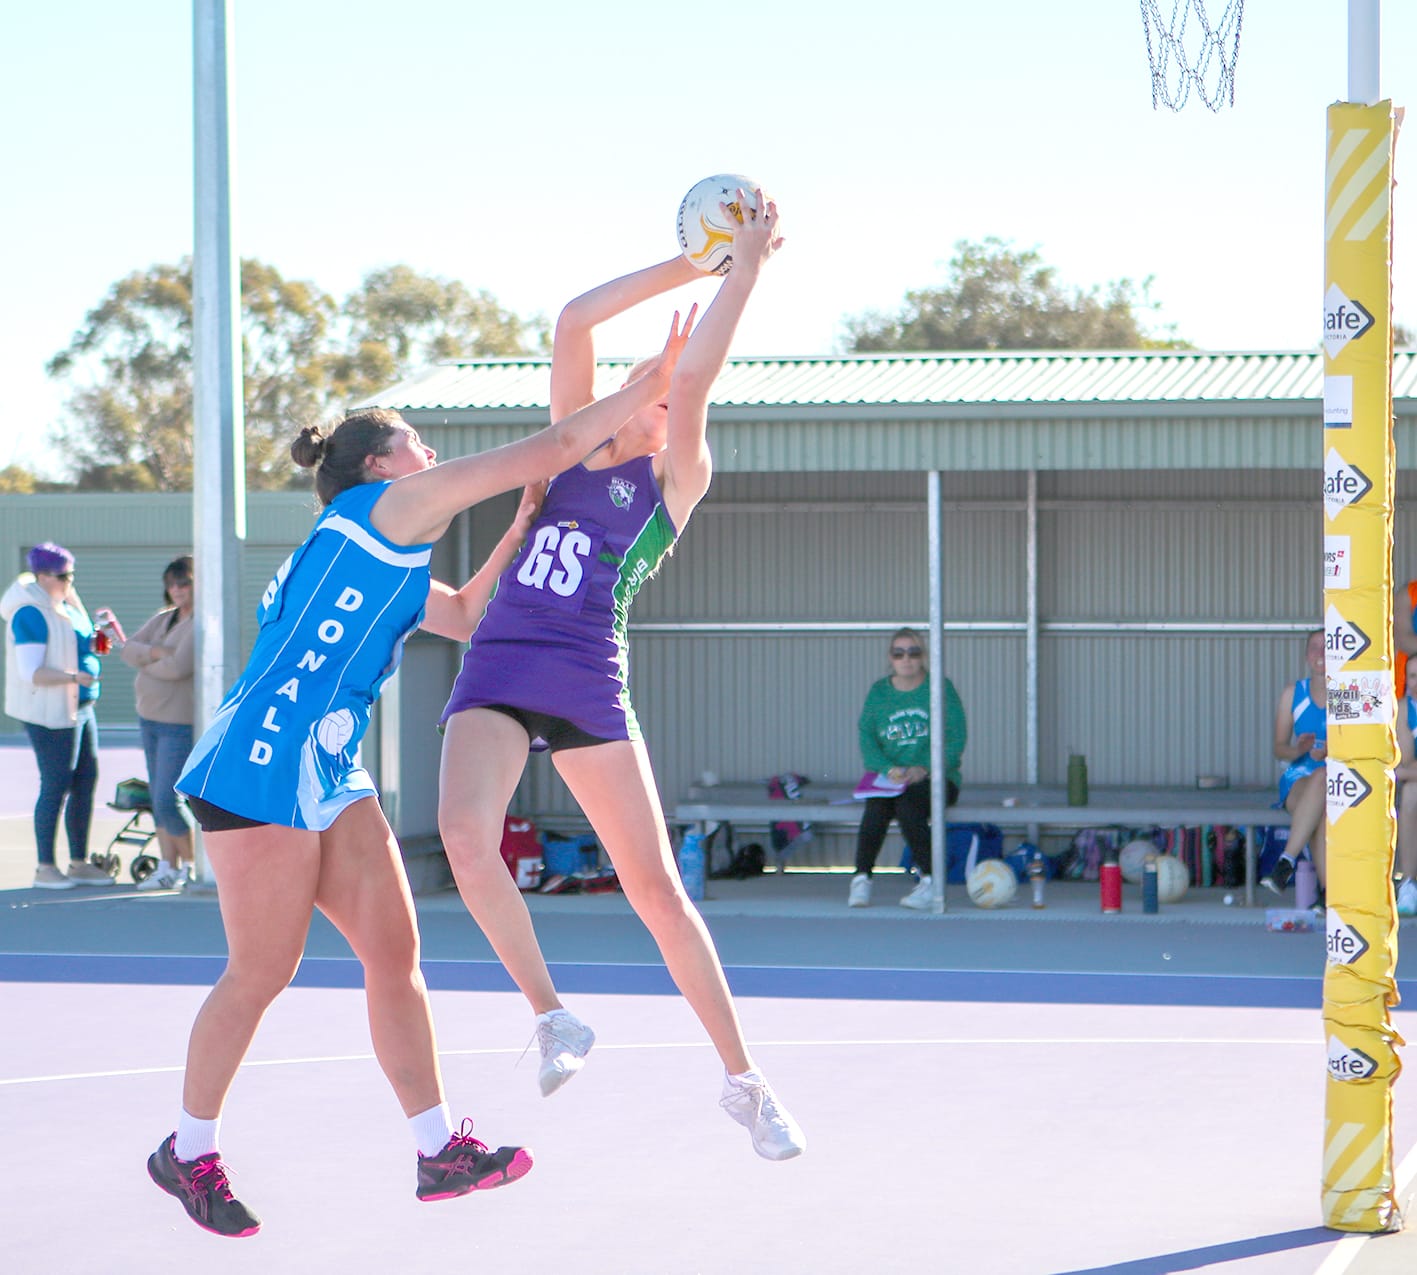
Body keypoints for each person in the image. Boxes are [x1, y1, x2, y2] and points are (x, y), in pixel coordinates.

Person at [148, 325, 690, 1238]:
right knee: (263, 968)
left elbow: (469, 614)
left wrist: (518, 528)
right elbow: (559, 443)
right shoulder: (388, 505)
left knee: (394, 955)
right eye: (415, 440)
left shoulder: (381, 541)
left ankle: (438, 1150)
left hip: (327, 762)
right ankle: (186, 1149)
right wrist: (659, 379)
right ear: (378, 465)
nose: (429, 452)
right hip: (261, 756)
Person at [437, 193, 806, 1162]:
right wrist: (692, 263)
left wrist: (743, 270)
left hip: (587, 677)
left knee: (655, 891)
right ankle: (553, 1014)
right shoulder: (565, 450)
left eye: (672, 391)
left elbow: (703, 373)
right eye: (654, 381)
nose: (664, 390)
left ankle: (745, 1082)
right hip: (500, 662)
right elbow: (573, 321)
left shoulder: (675, 478)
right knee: (466, 838)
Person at [1, 542, 116, 889]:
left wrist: (97, 640)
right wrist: (74, 677)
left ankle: (79, 862)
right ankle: (45, 867)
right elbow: (32, 672)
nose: (69, 581)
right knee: (55, 784)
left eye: (71, 575)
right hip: (50, 712)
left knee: (85, 781)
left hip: (81, 707)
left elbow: (78, 643)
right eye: (63, 576)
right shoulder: (30, 613)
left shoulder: (66, 603)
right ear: (42, 576)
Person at [848, 627, 967, 910]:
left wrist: (925, 768)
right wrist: (888, 768)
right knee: (876, 808)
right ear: (890, 658)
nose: (906, 659)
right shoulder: (879, 692)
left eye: (913, 652)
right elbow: (867, 737)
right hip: (891, 778)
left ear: (923, 655)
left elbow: (956, 737)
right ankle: (861, 878)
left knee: (908, 805)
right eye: (899, 653)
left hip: (936, 777)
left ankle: (930, 881)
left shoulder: (940, 688)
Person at [119, 556, 196, 890]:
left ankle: (192, 866)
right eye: (172, 584)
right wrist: (156, 653)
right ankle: (167, 867)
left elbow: (178, 667)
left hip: (178, 722)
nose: (177, 590)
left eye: (184, 583)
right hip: (149, 718)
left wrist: (146, 659)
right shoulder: (164, 618)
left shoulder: (199, 623)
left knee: (167, 797)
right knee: (156, 799)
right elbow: (127, 649)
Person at [1263, 627, 1327, 899]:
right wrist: (1298, 749)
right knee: (1320, 785)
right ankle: (1327, 894)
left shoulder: (1347, 694)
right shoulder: (1293, 692)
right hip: (1300, 776)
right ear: (1306, 656)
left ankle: (1286, 863)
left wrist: (1332, 750)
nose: (1321, 653)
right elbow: (1278, 748)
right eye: (1314, 647)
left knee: (1320, 805)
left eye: (1328, 646)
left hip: (1337, 779)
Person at [1394, 661, 1417, 918]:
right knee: (1410, 792)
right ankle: (1409, 884)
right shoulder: (1402, 708)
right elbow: (1405, 763)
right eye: (1412, 676)